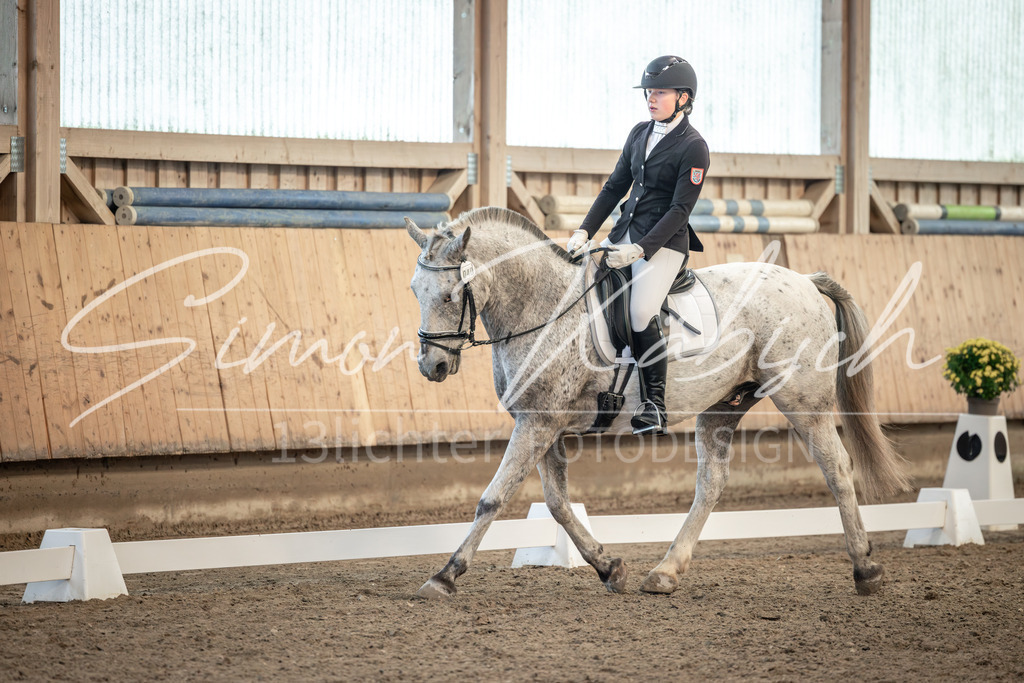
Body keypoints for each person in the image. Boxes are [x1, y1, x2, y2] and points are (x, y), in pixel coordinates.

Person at [567, 55, 709, 435]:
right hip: (623, 232)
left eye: (659, 92)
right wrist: (585, 230)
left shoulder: (694, 146)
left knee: (640, 312)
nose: (650, 98)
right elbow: (615, 187)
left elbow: (680, 209)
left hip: (663, 243)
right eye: (649, 91)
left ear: (683, 98)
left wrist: (642, 249)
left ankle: (654, 405)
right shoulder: (638, 133)